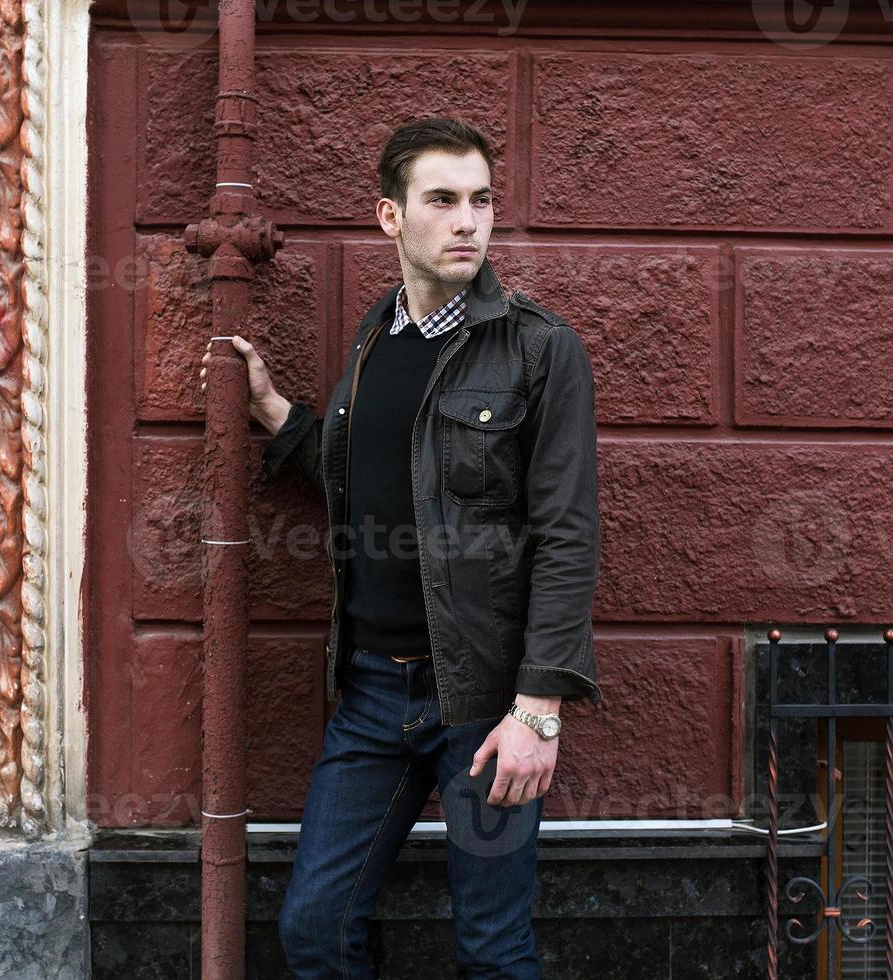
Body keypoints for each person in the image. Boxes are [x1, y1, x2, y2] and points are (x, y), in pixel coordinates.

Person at [200, 117, 601, 978]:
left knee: (492, 950)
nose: (469, 222)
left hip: (486, 704)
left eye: (482, 201)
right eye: (444, 201)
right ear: (391, 218)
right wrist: (276, 414)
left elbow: (567, 536)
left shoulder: (539, 350)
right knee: (313, 927)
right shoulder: (377, 340)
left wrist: (539, 709)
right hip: (374, 698)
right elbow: (368, 479)